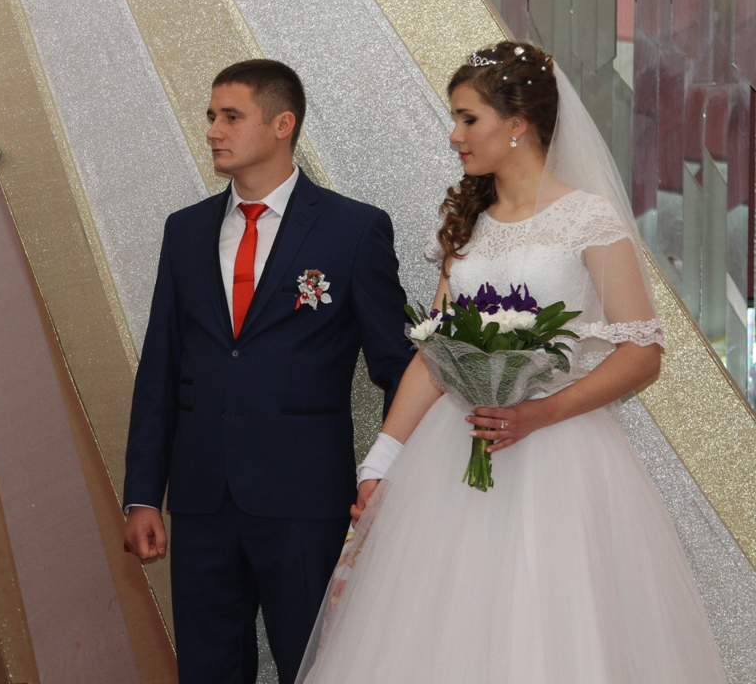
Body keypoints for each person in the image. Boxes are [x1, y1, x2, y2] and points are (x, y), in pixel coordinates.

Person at [295, 42, 727, 683]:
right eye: (455, 118)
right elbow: (434, 357)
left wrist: (539, 413)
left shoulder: (587, 219)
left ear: (517, 123)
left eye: (468, 118)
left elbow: (642, 353)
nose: (455, 135)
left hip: (562, 455)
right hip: (452, 455)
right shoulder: (467, 226)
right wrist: (380, 462)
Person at [122, 59, 413, 684]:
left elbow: (400, 366)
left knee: (311, 667)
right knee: (207, 669)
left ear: (283, 124)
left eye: (231, 116)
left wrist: (390, 469)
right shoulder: (186, 230)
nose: (213, 130)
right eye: (211, 116)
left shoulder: (354, 229)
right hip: (201, 498)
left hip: (305, 498)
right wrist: (143, 493)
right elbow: (161, 368)